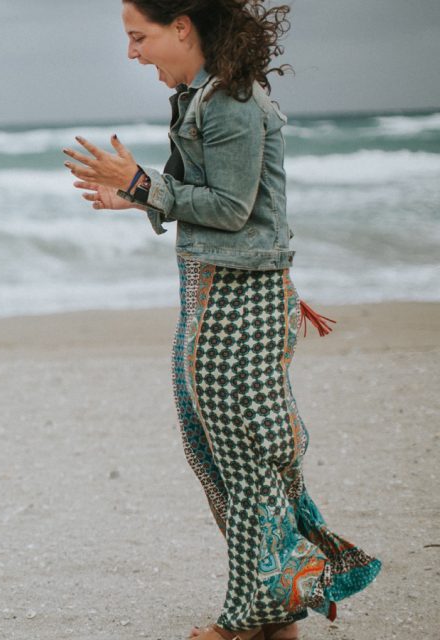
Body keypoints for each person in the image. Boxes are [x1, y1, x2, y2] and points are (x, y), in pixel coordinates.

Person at [62, 2, 380, 639]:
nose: (132, 53)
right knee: (220, 450)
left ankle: (247, 618)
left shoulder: (230, 100)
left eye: (138, 37)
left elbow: (232, 209)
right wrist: (134, 194)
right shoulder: (199, 96)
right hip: (219, 292)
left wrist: (143, 182)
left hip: (242, 298)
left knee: (244, 456)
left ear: (182, 25)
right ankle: (278, 605)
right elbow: (206, 198)